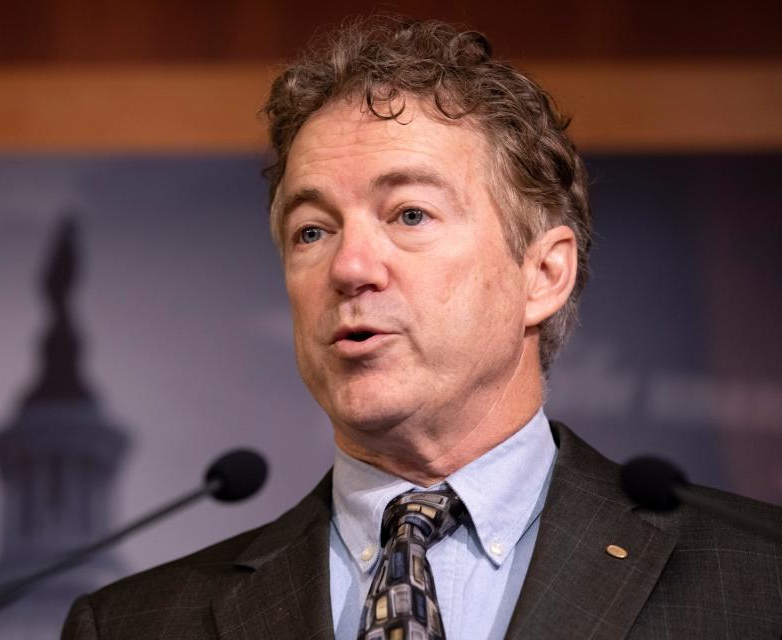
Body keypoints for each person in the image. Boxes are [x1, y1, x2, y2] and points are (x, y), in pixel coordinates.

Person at [62, 17, 782, 639]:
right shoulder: (136, 624)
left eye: (409, 214)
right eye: (312, 231)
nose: (350, 267)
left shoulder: (757, 579)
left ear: (543, 275)